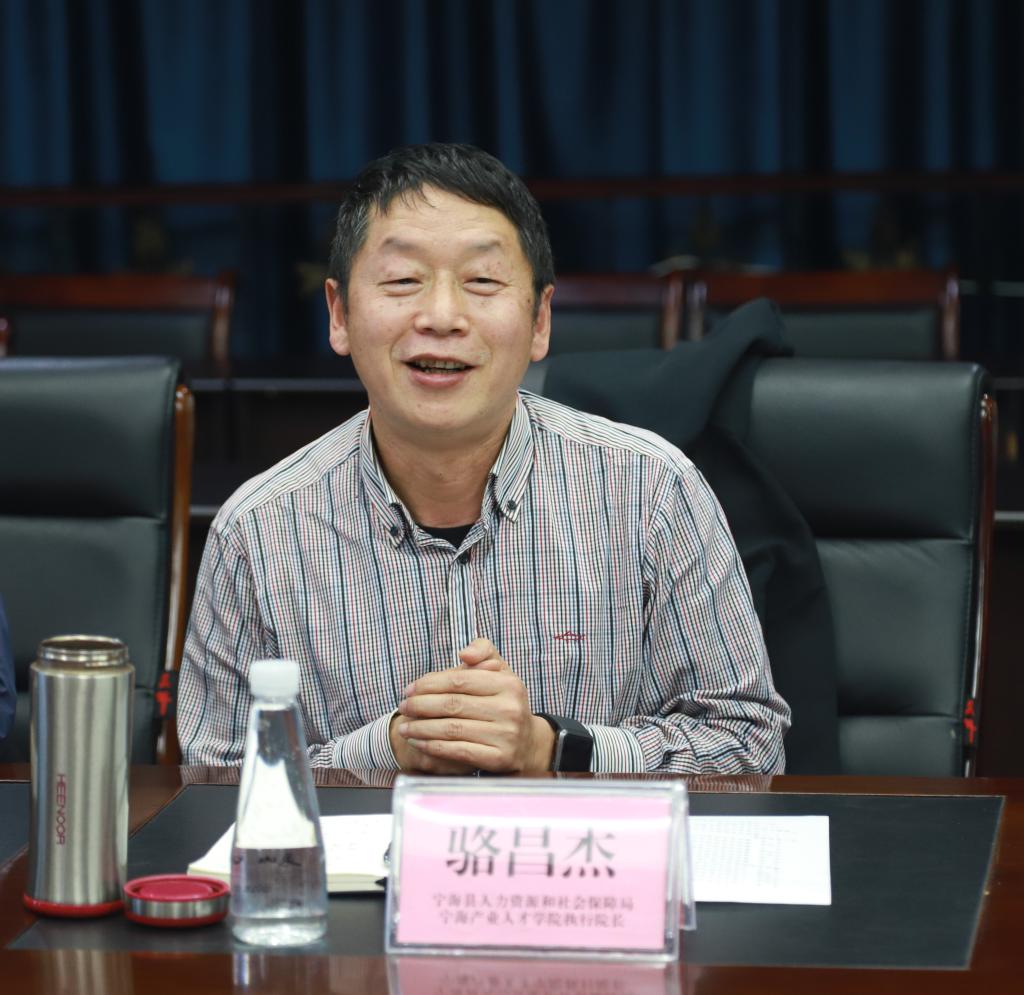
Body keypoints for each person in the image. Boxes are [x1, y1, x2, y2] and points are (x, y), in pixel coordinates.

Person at [177, 143, 790, 774]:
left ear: (540, 320)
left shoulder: (651, 490)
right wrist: (388, 750)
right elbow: (212, 779)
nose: (442, 317)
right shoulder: (258, 529)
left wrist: (551, 748)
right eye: (402, 280)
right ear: (339, 314)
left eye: (483, 282)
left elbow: (749, 743)